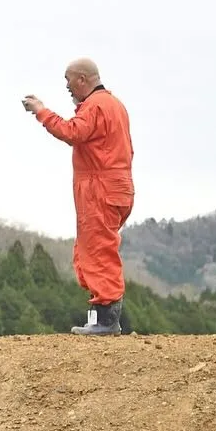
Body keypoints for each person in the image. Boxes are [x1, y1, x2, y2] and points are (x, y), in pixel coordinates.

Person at [22, 58, 134, 336]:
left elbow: (71, 131)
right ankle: (102, 317)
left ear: (82, 79)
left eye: (68, 80)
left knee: (98, 252)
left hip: (100, 189)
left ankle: (106, 321)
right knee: (92, 249)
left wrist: (41, 111)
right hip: (118, 188)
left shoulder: (96, 106)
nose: (67, 86)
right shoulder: (115, 105)